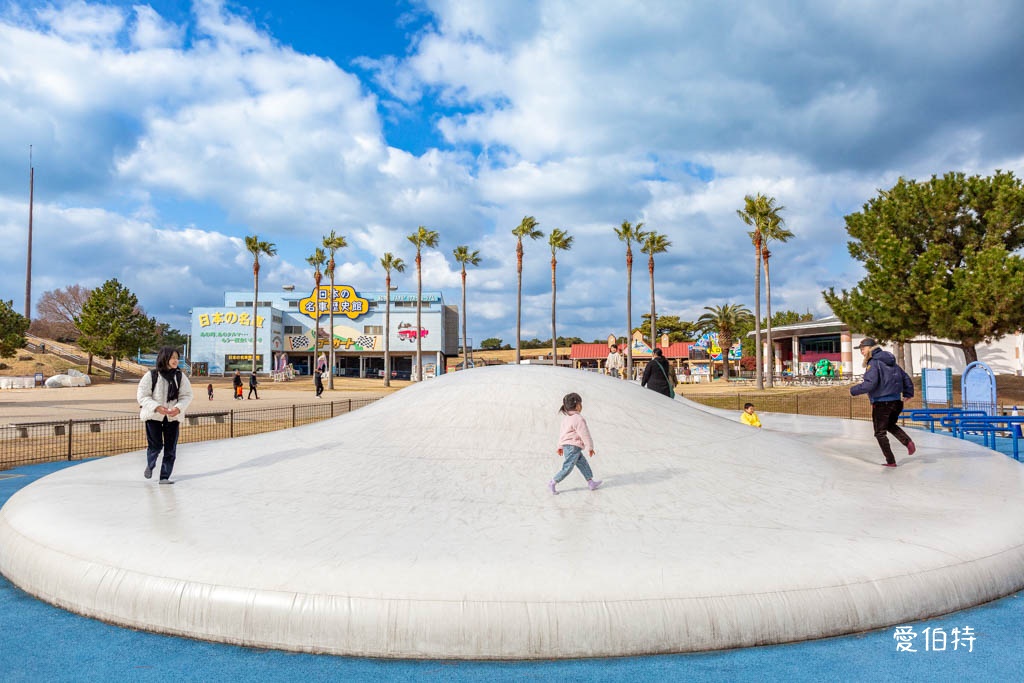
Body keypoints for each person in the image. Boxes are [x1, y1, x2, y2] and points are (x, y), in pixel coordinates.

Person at [850, 337, 916, 468]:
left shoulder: (874, 363)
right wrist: (908, 393)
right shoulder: (892, 362)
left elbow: (870, 384)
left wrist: (853, 390)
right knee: (890, 425)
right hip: (896, 402)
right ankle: (907, 442)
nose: (861, 351)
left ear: (870, 348)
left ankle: (890, 461)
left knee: (879, 432)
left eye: (863, 349)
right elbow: (905, 377)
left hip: (882, 403)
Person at [136, 346, 193, 485]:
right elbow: (142, 396)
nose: (175, 360)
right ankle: (150, 465)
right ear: (164, 358)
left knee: (170, 448)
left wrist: (178, 409)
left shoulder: (180, 376)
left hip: (172, 417)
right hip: (154, 416)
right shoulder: (151, 375)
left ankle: (164, 477)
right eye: (172, 357)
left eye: (176, 357)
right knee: (155, 446)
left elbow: (187, 395)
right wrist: (156, 407)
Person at [549, 392, 601, 495]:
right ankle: (553, 482)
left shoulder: (566, 419)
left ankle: (590, 482)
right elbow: (585, 433)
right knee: (568, 467)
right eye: (581, 404)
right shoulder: (578, 418)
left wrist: (560, 446)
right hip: (573, 447)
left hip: (569, 447)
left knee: (583, 464)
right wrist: (590, 447)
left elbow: (562, 434)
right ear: (577, 405)